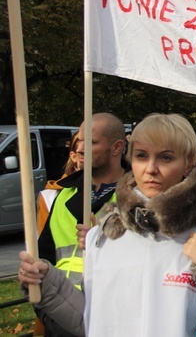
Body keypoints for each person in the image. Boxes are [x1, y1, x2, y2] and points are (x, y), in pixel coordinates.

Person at [18, 113, 196, 336]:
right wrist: (47, 284)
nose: (150, 168)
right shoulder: (105, 234)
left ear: (188, 164)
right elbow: (91, 321)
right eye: (141, 156)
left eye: (165, 157)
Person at [35, 113, 126, 336]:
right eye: (80, 140)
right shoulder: (63, 195)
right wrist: (45, 311)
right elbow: (43, 257)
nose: (81, 149)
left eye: (92, 142)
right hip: (60, 317)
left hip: (117, 317)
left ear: (117, 148)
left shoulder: (137, 195)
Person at [36, 131, 83, 235]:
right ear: (74, 156)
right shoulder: (50, 196)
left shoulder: (118, 190)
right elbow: (43, 244)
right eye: (83, 153)